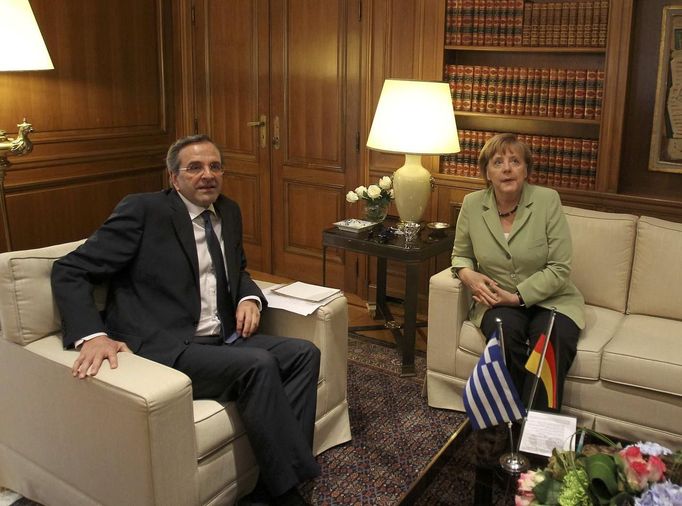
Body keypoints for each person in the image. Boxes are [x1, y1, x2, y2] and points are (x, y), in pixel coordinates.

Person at [51, 134, 320, 505]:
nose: (207, 175)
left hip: (220, 337)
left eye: (214, 166)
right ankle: (286, 491)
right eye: (194, 168)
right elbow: (69, 270)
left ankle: (268, 483)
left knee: (304, 353)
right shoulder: (144, 211)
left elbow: (237, 268)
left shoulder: (229, 210)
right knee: (257, 364)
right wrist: (92, 335)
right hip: (165, 343)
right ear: (174, 177)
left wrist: (248, 297)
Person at [452, 132, 585, 414]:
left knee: (549, 344)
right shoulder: (473, 204)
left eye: (515, 161)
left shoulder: (547, 201)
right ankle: (506, 421)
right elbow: (460, 254)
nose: (507, 168)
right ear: (487, 172)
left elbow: (560, 267)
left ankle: (534, 429)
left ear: (526, 170)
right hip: (496, 300)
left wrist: (516, 297)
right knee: (504, 335)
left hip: (552, 299)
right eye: (498, 162)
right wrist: (467, 274)